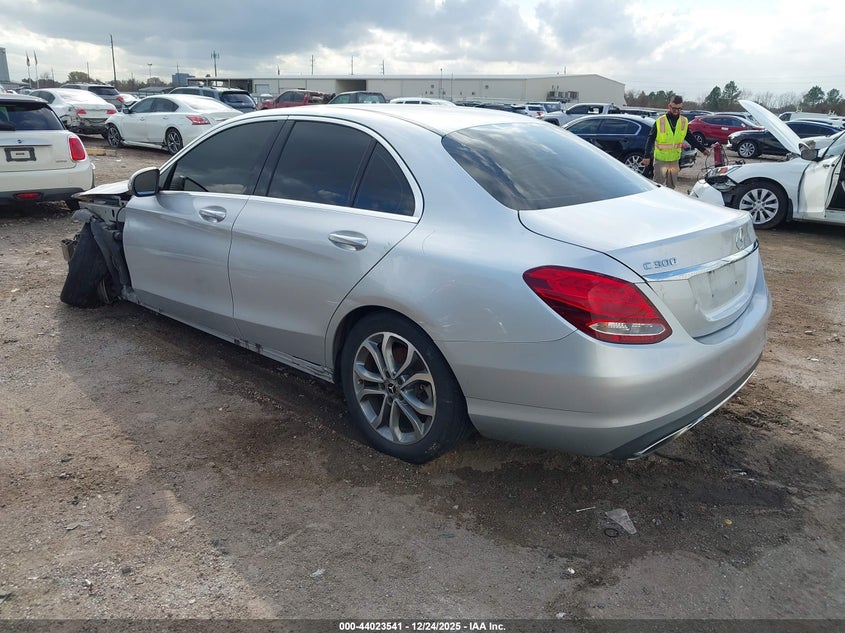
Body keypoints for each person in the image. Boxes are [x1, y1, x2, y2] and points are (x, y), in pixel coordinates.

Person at [642, 96, 709, 189]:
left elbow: (690, 137)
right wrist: (646, 156)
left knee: (671, 186)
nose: (676, 111)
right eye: (674, 108)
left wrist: (702, 149)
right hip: (661, 160)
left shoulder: (684, 121)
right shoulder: (660, 121)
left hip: (674, 160)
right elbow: (650, 139)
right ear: (669, 106)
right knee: (658, 185)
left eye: (679, 108)